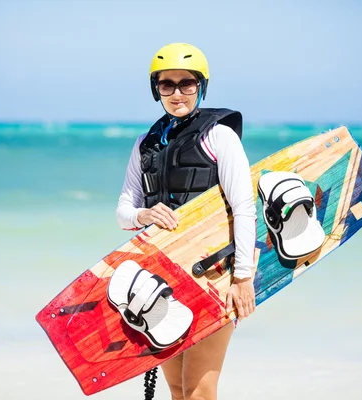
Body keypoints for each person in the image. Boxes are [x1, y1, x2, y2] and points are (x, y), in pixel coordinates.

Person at [116, 43, 257, 400]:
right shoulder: (145, 145)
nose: (177, 93)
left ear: (201, 86)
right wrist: (142, 215)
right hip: (161, 280)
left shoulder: (219, 136)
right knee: (178, 390)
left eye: (187, 83)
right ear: (156, 89)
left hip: (215, 275)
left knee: (199, 390)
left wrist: (243, 278)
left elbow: (244, 207)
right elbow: (123, 211)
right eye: (167, 84)